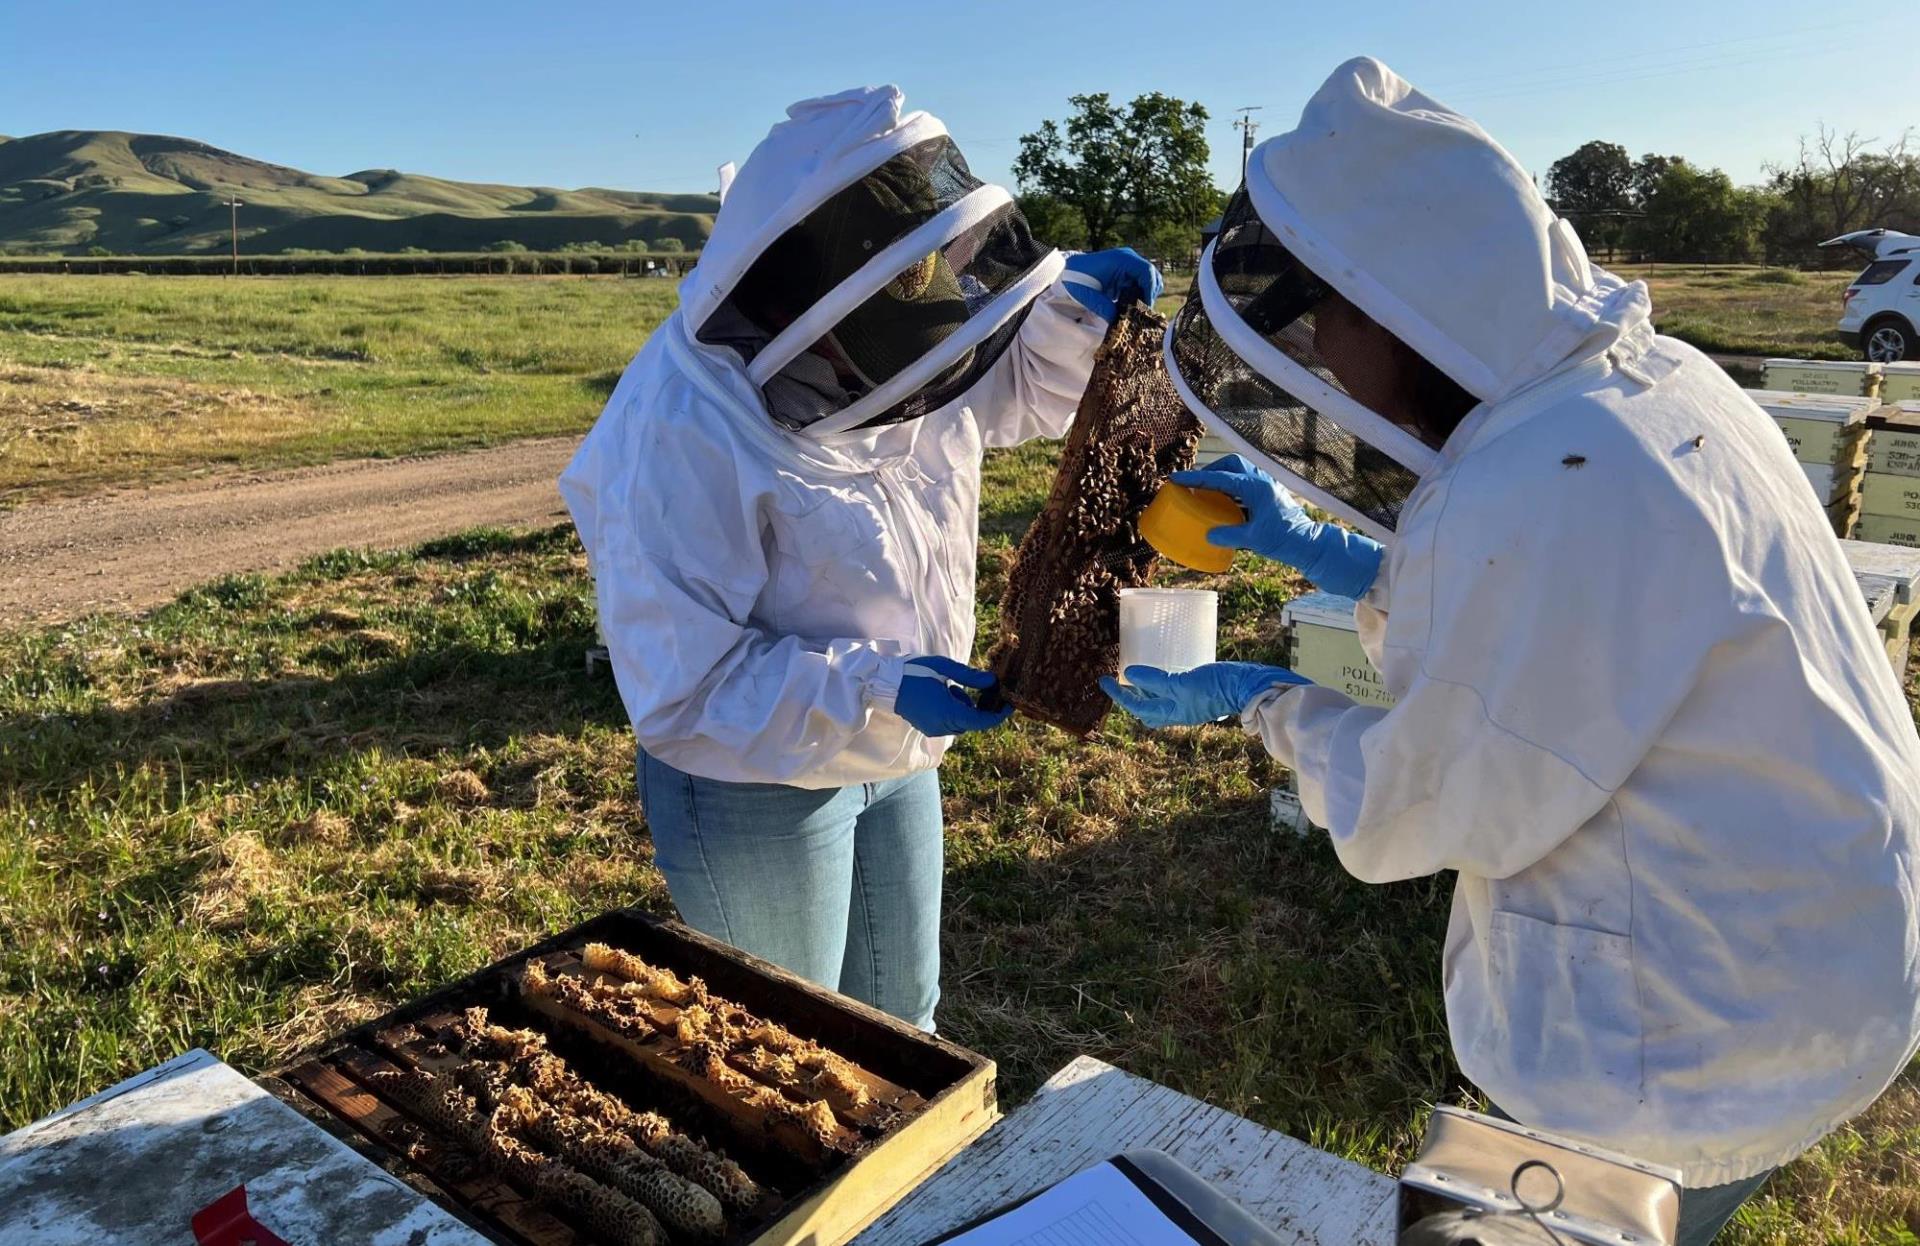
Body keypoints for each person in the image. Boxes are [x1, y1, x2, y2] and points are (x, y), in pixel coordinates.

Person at [1106, 57, 1920, 1245]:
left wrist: (1266, 702)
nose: (1321, 349)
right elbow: (1585, 623)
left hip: (1679, 1026)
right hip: (1817, 933)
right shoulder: (1646, 380)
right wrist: (1344, 561)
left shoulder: (1543, 481)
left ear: (1409, 303)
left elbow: (1421, 806)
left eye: (1330, 311)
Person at [561, 86, 1160, 1032]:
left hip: (899, 750)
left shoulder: (895, 344)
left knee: (906, 1025)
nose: (902, 325)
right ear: (794, 295)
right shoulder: (677, 429)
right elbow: (686, 692)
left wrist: (1070, 325)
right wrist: (875, 686)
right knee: (794, 1051)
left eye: (919, 286)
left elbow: (1006, 396)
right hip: (755, 784)